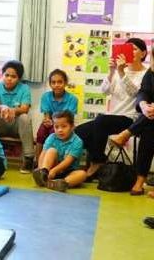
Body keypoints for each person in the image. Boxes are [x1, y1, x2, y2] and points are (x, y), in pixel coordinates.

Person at [74, 38, 147, 180]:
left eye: (134, 49)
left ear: (143, 53)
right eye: (127, 49)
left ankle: (97, 162)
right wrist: (112, 71)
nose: (130, 52)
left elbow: (135, 93)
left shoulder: (146, 74)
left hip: (131, 119)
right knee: (79, 132)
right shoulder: (120, 70)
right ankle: (96, 163)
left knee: (100, 121)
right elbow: (104, 91)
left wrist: (121, 72)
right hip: (111, 117)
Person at [109, 45, 154, 195]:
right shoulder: (150, 73)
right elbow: (143, 93)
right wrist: (143, 105)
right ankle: (140, 180)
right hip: (151, 118)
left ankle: (126, 134)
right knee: (149, 129)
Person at [0, 60, 34, 173]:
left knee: (25, 117)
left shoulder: (24, 88)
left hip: (16, 126)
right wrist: (3, 107)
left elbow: (25, 108)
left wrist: (12, 110)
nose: (9, 78)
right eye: (7, 75)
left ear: (19, 78)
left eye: (13, 76)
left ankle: (28, 159)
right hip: (1, 123)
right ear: (2, 75)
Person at [32, 110, 87, 192]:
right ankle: (43, 175)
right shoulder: (51, 137)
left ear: (72, 127)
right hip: (50, 170)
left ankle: (60, 183)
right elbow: (43, 154)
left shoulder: (77, 141)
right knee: (51, 151)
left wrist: (54, 171)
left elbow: (68, 161)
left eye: (64, 126)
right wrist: (41, 169)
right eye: (56, 127)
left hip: (68, 171)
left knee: (82, 174)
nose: (60, 130)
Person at [36, 69, 78, 162]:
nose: (56, 85)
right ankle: (38, 161)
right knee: (41, 132)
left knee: (54, 131)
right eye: (53, 82)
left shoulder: (73, 99)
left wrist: (56, 124)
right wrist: (47, 121)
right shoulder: (46, 96)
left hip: (65, 125)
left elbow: (69, 119)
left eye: (60, 82)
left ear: (65, 83)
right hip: (51, 122)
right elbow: (46, 115)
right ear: (50, 84)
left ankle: (52, 161)